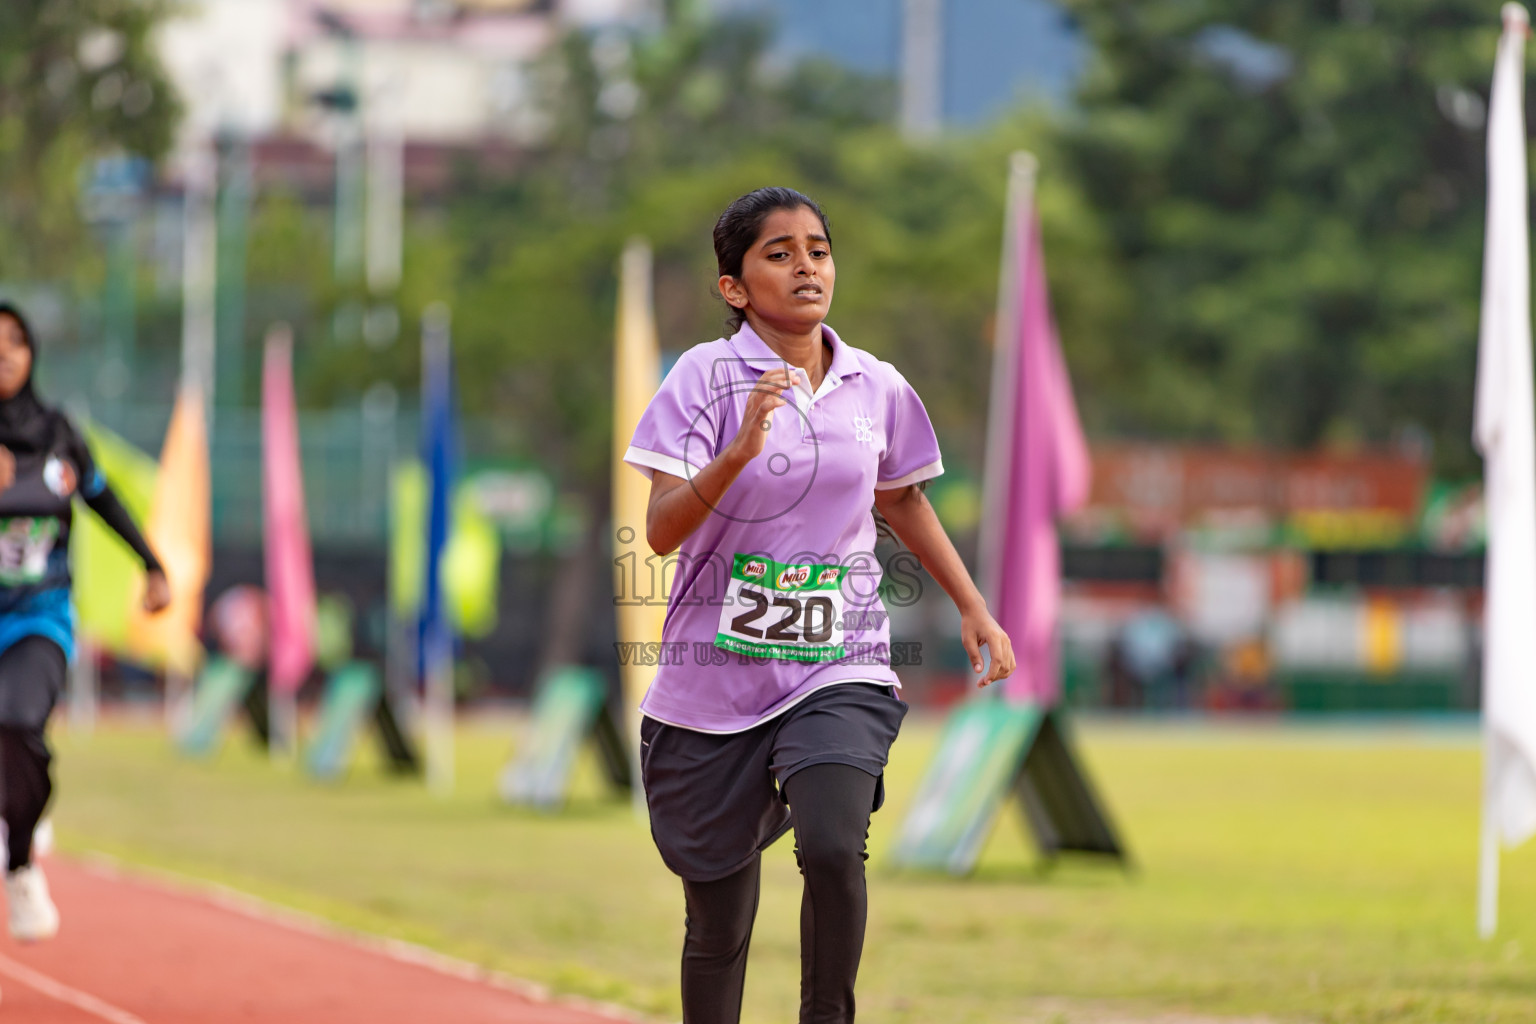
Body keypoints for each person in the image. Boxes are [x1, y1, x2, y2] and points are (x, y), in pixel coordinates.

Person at [624, 187, 1015, 1023]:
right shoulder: (702, 375)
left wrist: (973, 606)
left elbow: (902, 500)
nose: (806, 265)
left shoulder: (876, 385)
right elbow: (659, 532)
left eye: (819, 249)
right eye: (779, 252)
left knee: (835, 846)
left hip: (840, 660)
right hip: (713, 686)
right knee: (718, 922)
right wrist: (739, 451)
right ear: (734, 286)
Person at [0, 303, 169, 941]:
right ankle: (16, 809)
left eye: (15, 340)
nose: (5, 353)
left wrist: (152, 566)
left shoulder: (58, 432)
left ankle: (19, 861)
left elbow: (103, 498)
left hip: (35, 616)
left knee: (16, 723)